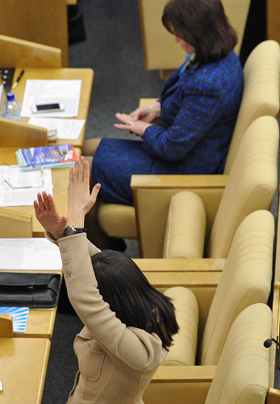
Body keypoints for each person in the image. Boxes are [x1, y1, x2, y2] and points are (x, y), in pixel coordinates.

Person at [10, 157, 179, 404]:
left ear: (110, 303)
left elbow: (86, 297)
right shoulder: (137, 306)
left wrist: (76, 221)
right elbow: (98, 266)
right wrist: (65, 232)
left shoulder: (137, 349)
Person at [81, 0, 243, 248]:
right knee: (86, 148)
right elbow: (183, 94)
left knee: (85, 170)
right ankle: (108, 242)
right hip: (186, 148)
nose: (177, 39)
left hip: (182, 169)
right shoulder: (220, 54)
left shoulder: (208, 85)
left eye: (181, 34)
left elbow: (172, 148)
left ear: (199, 32)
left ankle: (103, 253)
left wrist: (142, 129)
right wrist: (155, 108)